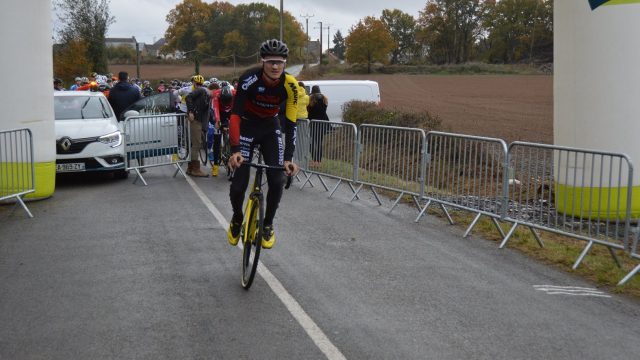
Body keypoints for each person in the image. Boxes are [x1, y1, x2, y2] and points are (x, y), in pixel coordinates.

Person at [226, 39, 299, 250]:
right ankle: (238, 218)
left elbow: (292, 125)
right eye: (270, 62)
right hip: (247, 126)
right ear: (262, 61)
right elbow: (235, 117)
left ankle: (267, 224)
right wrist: (235, 150)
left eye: (280, 62)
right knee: (239, 183)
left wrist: (288, 158)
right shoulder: (248, 79)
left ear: (285, 63)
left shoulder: (291, 85)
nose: (275, 66)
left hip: (270, 128)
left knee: (277, 179)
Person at [185, 74, 210, 177]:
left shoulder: (202, 92)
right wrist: (190, 112)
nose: (198, 85)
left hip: (197, 120)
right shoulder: (202, 91)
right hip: (195, 121)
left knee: (194, 144)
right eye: (197, 83)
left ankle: (190, 168)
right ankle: (195, 169)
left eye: (200, 84)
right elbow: (188, 97)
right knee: (196, 144)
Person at [210, 82, 236, 176]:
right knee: (217, 140)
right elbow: (216, 109)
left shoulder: (235, 93)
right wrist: (217, 121)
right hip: (220, 113)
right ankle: (216, 165)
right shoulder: (216, 95)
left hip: (231, 111)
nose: (226, 104)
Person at [307, 85, 329, 166]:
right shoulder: (324, 99)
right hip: (323, 123)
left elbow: (309, 112)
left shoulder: (311, 99)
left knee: (312, 142)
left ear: (312, 91)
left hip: (314, 124)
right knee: (319, 142)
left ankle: (314, 160)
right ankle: (318, 161)